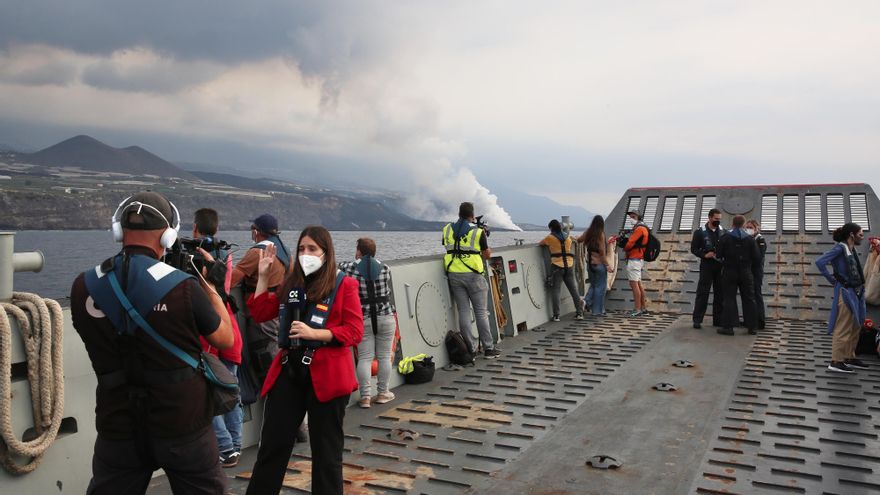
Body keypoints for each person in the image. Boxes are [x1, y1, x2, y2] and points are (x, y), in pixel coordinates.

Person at [70, 191, 233, 495]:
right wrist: (211, 286)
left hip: (117, 422)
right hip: (182, 421)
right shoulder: (183, 287)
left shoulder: (83, 287)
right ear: (168, 235)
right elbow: (226, 338)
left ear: (119, 230)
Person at [245, 226, 363, 495]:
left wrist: (316, 334)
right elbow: (261, 312)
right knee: (272, 446)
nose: (305, 254)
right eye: (301, 249)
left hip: (326, 376)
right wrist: (262, 277)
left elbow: (354, 331)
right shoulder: (291, 283)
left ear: (325, 253)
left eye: (312, 248)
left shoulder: (345, 285)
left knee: (327, 454)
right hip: (289, 371)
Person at [191, 208, 245, 468]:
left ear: (195, 227)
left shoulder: (194, 257)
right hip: (230, 326)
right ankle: (235, 444)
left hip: (209, 332)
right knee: (231, 390)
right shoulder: (226, 253)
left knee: (207, 392)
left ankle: (225, 448)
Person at [339, 238, 397, 408]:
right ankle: (383, 393)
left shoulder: (349, 268)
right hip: (385, 317)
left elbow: (339, 267)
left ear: (359, 251)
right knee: (384, 356)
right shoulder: (385, 268)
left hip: (362, 318)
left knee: (365, 358)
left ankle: (365, 397)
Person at [442, 202, 501, 358]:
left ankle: (471, 349)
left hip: (454, 274)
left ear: (459, 213)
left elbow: (449, 247)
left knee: (463, 311)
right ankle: (489, 348)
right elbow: (486, 255)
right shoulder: (477, 231)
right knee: (481, 312)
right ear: (472, 215)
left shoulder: (447, 229)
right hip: (473, 275)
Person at [815, 222, 868, 373]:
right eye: (860, 234)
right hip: (845, 291)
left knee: (856, 325)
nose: (862, 237)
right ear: (852, 234)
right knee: (844, 326)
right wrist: (833, 279)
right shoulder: (839, 248)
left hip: (856, 291)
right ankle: (836, 361)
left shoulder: (852, 249)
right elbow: (820, 262)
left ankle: (849, 356)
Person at [715, 215, 761, 336]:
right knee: (749, 299)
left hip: (729, 271)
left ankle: (728, 327)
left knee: (729, 299)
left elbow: (718, 254)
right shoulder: (750, 239)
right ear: (744, 224)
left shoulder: (725, 237)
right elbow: (757, 257)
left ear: (733, 224)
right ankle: (752, 327)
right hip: (746, 272)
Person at [539, 219, 584, 321]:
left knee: (556, 290)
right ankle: (579, 313)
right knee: (574, 290)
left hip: (557, 266)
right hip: (569, 265)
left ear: (551, 228)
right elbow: (573, 240)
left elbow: (540, 243)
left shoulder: (550, 238)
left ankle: (556, 315)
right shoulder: (568, 237)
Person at [691, 208, 725, 329]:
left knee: (720, 293)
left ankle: (718, 320)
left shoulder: (723, 231)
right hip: (707, 265)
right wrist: (704, 255)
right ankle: (697, 320)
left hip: (720, 266)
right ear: (710, 218)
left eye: (719, 219)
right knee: (703, 292)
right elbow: (694, 249)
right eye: (716, 219)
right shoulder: (700, 232)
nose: (718, 221)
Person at [577, 215, 611, 316]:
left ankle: (585, 301)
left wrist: (574, 237)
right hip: (599, 264)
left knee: (594, 285)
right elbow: (602, 252)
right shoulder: (601, 234)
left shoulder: (589, 232)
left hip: (590, 265)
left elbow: (579, 240)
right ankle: (597, 311)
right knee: (600, 288)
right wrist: (607, 265)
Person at [623, 210, 649, 317]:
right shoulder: (644, 227)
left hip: (634, 259)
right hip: (639, 259)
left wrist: (623, 246)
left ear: (639, 217)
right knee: (638, 284)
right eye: (630, 217)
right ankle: (643, 308)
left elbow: (630, 243)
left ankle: (637, 309)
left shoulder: (639, 229)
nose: (631, 219)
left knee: (634, 285)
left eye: (633, 217)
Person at [745, 219, 768, 330]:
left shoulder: (760, 240)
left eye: (751, 227)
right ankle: (749, 320)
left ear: (756, 228)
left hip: (756, 271)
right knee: (749, 296)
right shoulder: (749, 239)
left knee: (756, 294)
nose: (748, 229)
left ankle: (760, 321)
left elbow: (759, 257)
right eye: (747, 227)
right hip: (748, 270)